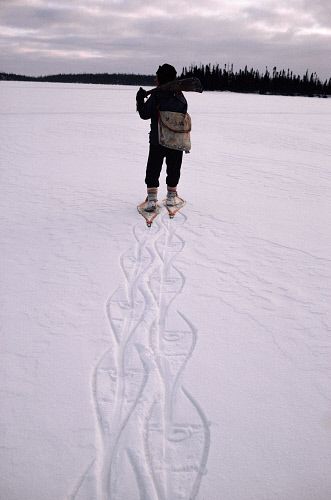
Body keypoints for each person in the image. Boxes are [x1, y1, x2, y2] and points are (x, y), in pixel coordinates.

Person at [136, 64, 188, 212]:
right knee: (174, 168)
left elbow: (145, 114)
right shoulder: (179, 95)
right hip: (176, 141)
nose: (155, 79)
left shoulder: (157, 95)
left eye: (157, 76)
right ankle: (171, 196)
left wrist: (140, 100)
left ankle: (152, 200)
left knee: (153, 168)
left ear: (161, 78)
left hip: (157, 140)